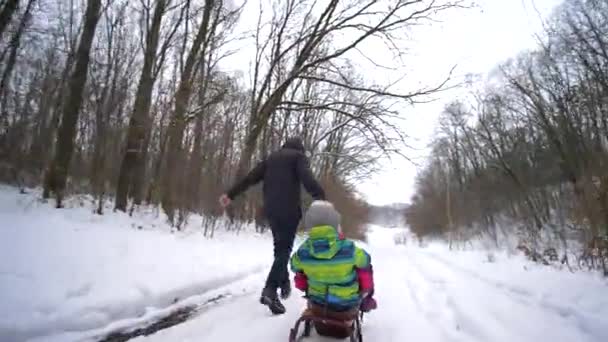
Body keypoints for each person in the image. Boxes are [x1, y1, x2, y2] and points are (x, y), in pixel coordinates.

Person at [219, 137, 325, 315]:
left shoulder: (271, 158)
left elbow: (249, 179)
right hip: (289, 210)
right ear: (300, 149)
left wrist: (230, 194)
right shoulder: (298, 157)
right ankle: (270, 289)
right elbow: (307, 178)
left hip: (271, 211)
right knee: (284, 251)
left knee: (280, 249)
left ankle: (283, 282)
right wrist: (321, 197)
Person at [290, 200, 377, 337]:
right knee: (365, 268)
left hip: (316, 303)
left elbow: (294, 266)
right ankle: (366, 299)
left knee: (303, 271)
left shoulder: (303, 251)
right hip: (345, 306)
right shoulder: (349, 249)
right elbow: (366, 260)